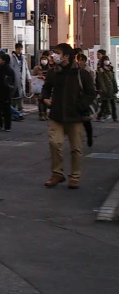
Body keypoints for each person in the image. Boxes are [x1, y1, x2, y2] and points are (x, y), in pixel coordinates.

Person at [41, 43, 96, 189]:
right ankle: (57, 174)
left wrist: (81, 106)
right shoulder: (54, 72)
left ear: (66, 56)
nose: (53, 55)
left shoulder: (81, 73)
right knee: (54, 143)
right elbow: (46, 88)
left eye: (57, 53)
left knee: (76, 148)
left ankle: (75, 176)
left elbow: (91, 92)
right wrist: (45, 98)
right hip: (56, 115)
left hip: (75, 117)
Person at [0, 51, 16, 132]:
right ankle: (7, 126)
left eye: (0, 59)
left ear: (4, 60)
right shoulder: (9, 69)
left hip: (0, 91)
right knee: (6, 109)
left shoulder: (1, 69)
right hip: (6, 92)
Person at [75, 53, 95, 147]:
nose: (79, 62)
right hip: (74, 101)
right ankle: (76, 142)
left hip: (83, 100)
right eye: (77, 60)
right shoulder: (71, 71)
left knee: (86, 121)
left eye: (80, 60)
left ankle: (89, 137)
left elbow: (91, 88)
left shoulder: (86, 71)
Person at [95, 55, 118, 123]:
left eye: (107, 59)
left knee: (113, 104)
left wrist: (115, 88)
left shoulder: (110, 68)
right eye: (105, 60)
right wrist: (103, 89)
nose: (106, 61)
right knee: (104, 104)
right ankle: (99, 116)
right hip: (105, 90)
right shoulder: (101, 70)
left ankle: (115, 118)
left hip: (111, 89)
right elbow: (101, 80)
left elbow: (113, 80)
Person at [10, 43, 28, 113]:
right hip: (15, 76)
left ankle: (20, 107)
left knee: (21, 92)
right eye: (19, 49)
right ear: (16, 49)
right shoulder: (12, 57)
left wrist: (28, 77)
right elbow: (11, 67)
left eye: (21, 49)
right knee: (15, 92)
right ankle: (13, 107)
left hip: (21, 76)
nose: (20, 50)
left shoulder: (23, 58)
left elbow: (26, 68)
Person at [32, 53, 50, 121]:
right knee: (40, 100)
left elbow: (51, 77)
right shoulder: (37, 68)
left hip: (46, 86)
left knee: (45, 100)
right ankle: (41, 114)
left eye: (45, 59)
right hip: (39, 86)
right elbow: (33, 76)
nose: (44, 61)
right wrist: (38, 77)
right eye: (42, 59)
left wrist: (45, 78)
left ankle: (45, 113)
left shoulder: (49, 68)